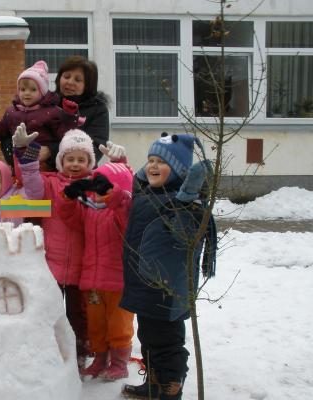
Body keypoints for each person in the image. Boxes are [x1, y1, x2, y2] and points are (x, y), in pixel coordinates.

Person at [120, 133, 217, 400]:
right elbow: (139, 183)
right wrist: (142, 169)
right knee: (149, 337)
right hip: (143, 284)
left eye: (161, 162)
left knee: (167, 342)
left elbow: (190, 228)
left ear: (179, 171)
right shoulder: (150, 194)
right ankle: (153, 382)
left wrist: (189, 197)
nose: (152, 166)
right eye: (150, 160)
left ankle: (171, 386)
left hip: (166, 290)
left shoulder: (186, 204)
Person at [13, 126, 95, 369]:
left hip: (82, 264)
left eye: (81, 159)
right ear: (61, 161)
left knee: (78, 315)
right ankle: (50, 349)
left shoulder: (94, 185)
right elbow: (33, 187)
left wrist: (120, 162)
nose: (75, 163)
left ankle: (80, 351)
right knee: (50, 310)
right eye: (70, 158)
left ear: (89, 162)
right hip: (53, 263)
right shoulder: (50, 183)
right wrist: (23, 153)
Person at [59, 159, 135, 381]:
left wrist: (114, 196)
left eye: (105, 185)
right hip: (92, 280)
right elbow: (70, 218)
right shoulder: (90, 210)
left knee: (119, 324)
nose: (99, 192)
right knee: (96, 324)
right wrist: (69, 197)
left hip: (118, 281)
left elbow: (126, 216)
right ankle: (100, 359)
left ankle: (119, 362)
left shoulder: (122, 211)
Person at [0, 60, 83, 172]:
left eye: (33, 90)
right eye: (23, 89)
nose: (27, 93)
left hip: (45, 165)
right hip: (19, 164)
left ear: (42, 92)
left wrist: (70, 115)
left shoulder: (52, 112)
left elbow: (64, 135)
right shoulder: (11, 112)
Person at [52, 55, 110, 165]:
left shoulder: (98, 109)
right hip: (44, 172)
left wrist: (51, 151)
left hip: (80, 173)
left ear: (88, 86)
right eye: (66, 76)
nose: (70, 82)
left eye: (78, 80)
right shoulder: (48, 103)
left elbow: (96, 148)